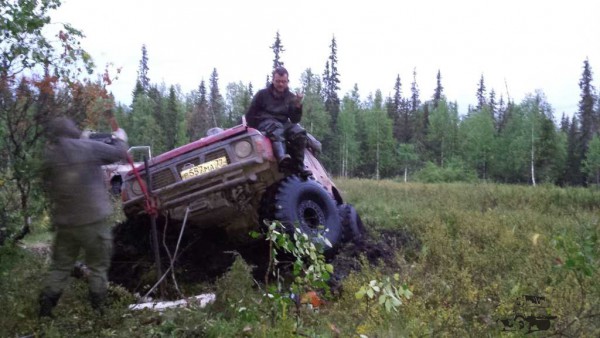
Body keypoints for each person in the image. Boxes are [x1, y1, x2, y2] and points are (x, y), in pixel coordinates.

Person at [38, 117, 129, 317]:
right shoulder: (88, 148)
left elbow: (47, 178)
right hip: (93, 221)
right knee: (98, 266)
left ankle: (45, 309)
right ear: (74, 131)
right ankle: (98, 312)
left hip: (65, 224)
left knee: (61, 267)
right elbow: (119, 153)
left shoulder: (51, 157)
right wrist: (120, 138)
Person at [245, 66, 311, 177]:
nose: (281, 84)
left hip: (284, 123)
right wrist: (254, 130)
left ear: (287, 82)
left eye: (283, 82)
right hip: (265, 123)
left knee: (299, 132)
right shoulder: (262, 95)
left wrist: (298, 105)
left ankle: (300, 165)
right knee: (276, 128)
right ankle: (282, 158)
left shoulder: (291, 97)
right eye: (278, 81)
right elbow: (250, 114)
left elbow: (295, 119)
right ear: (273, 80)